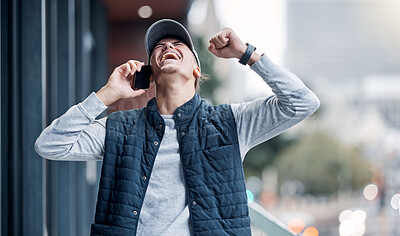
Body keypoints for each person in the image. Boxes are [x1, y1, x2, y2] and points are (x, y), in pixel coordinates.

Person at [35, 19, 320, 236]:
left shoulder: (230, 122)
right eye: (160, 47)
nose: (168, 47)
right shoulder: (119, 129)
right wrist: (107, 94)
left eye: (177, 45)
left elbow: (302, 102)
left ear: (197, 69)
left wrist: (245, 53)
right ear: (150, 74)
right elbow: (50, 144)